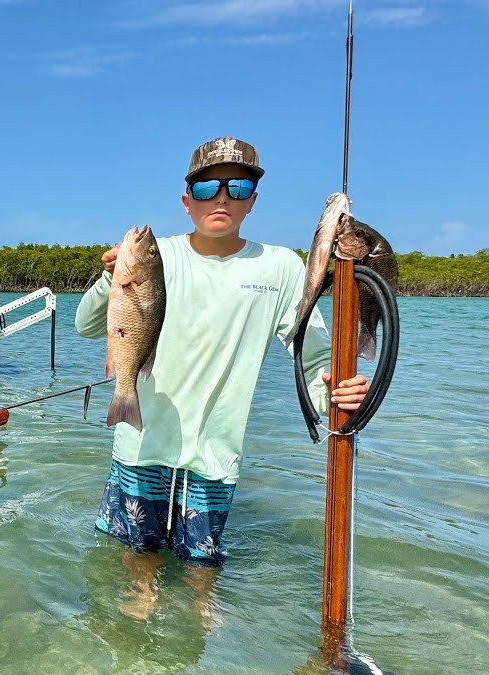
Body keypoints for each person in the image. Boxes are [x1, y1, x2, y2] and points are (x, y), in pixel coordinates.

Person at [74, 136, 370, 622]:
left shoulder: (280, 267)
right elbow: (87, 326)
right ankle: (141, 597)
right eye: (208, 187)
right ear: (186, 200)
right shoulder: (158, 256)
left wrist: (335, 393)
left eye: (238, 187)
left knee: (202, 566)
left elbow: (313, 352)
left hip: (216, 450)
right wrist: (111, 278)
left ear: (253, 201)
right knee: (139, 556)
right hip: (143, 440)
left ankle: (200, 611)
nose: (223, 198)